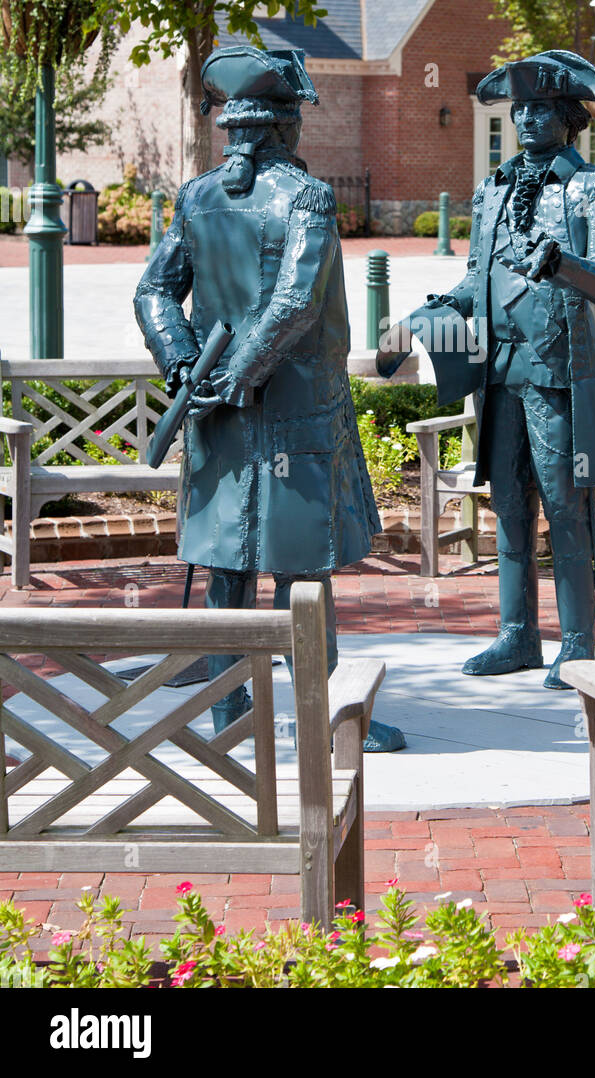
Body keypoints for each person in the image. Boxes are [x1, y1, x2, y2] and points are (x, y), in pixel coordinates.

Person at [134, 43, 404, 750]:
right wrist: (224, 371)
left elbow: (154, 294)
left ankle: (230, 717)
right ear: (287, 128)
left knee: (227, 564)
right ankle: (328, 719)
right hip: (294, 408)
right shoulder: (308, 197)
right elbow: (297, 304)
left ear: (235, 129)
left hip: (217, 409)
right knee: (302, 566)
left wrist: (185, 364)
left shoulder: (195, 197)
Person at [396, 50, 595, 687]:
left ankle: (578, 642)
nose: (527, 120)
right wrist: (431, 311)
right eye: (519, 109)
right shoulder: (493, 189)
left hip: (562, 377)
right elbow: (478, 281)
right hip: (499, 373)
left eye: (541, 109)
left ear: (568, 117)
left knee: (566, 508)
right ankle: (517, 635)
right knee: (508, 506)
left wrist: (560, 264)